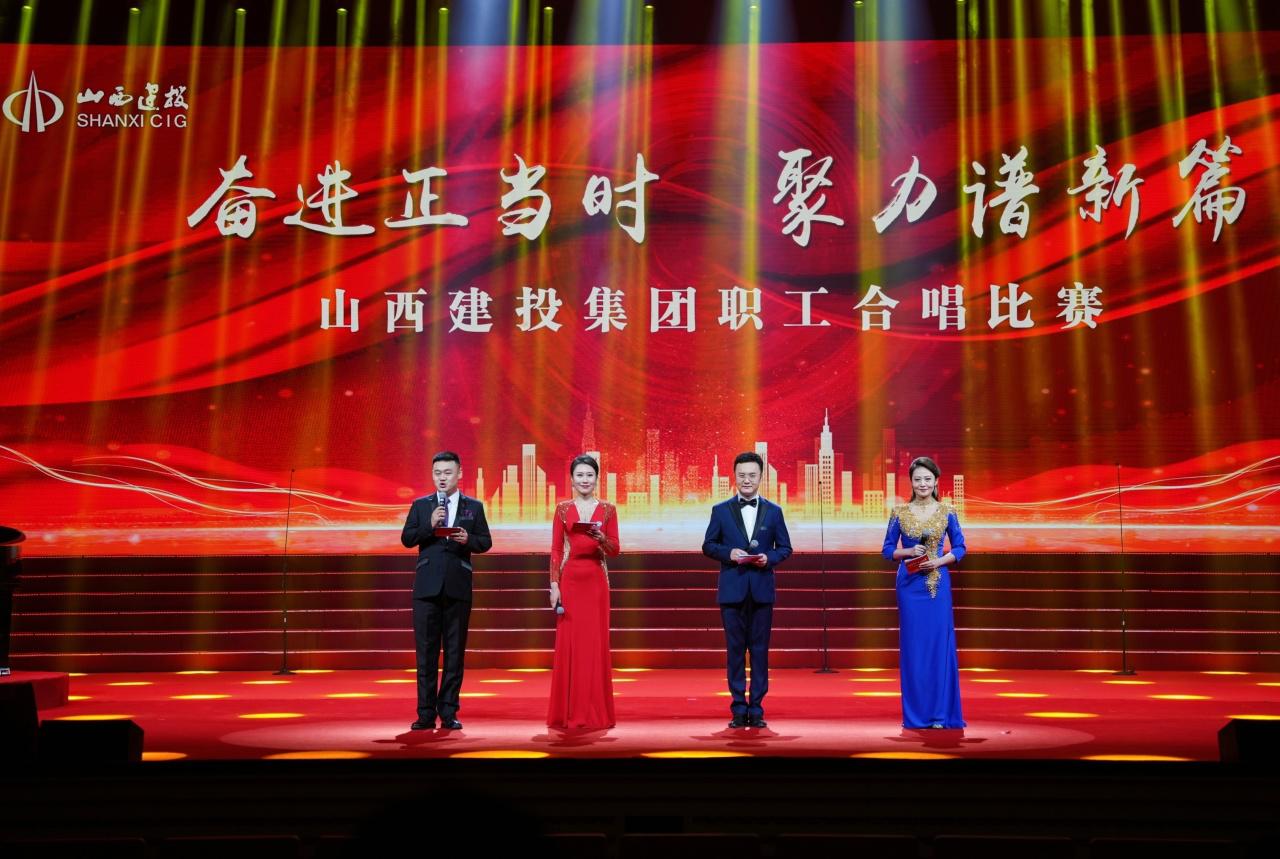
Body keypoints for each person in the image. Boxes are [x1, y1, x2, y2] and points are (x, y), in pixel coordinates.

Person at [400, 451, 492, 731]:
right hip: (426, 587)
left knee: (454, 653)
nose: (442, 478)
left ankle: (449, 712)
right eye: (437, 473)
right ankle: (425, 714)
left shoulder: (473, 507)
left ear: (459, 474)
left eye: (448, 473)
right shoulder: (421, 506)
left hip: (457, 586)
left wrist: (468, 539)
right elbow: (407, 538)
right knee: (426, 654)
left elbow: (485, 541)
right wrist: (429, 526)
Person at [702, 451, 793, 729]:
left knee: (760, 652)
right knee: (735, 652)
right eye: (742, 475)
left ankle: (757, 707)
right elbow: (708, 545)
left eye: (752, 475)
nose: (747, 480)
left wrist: (769, 558)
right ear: (734, 476)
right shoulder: (721, 510)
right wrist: (729, 553)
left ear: (761, 477)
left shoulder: (774, 511)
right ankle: (738, 709)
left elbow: (785, 548)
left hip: (762, 590)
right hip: (732, 591)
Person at [882, 456, 967, 729]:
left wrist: (939, 561)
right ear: (911, 482)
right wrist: (908, 551)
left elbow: (961, 548)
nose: (922, 484)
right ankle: (916, 715)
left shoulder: (947, 511)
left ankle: (940, 714)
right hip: (909, 587)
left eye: (927, 479)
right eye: (917, 479)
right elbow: (887, 550)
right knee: (914, 649)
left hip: (937, 586)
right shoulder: (899, 512)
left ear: (936, 481)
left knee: (938, 647)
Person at [547, 454, 620, 730]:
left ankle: (595, 712)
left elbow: (615, 549)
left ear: (597, 478)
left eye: (589, 475)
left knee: (594, 644)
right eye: (580, 475)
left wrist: (602, 539)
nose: (585, 480)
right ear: (572, 479)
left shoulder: (609, 510)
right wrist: (554, 585)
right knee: (571, 644)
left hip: (596, 581)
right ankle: (568, 712)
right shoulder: (562, 509)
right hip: (570, 580)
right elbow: (556, 549)